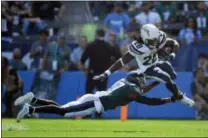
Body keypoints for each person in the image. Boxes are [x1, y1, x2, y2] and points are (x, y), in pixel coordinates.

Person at [93, 24, 195, 107]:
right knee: (166, 77)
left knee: (173, 76)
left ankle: (170, 88)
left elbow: (174, 43)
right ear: (144, 38)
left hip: (156, 62)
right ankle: (180, 97)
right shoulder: (138, 46)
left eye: (155, 40)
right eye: (151, 41)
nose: (155, 43)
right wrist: (106, 73)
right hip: (147, 69)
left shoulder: (159, 37)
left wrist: (172, 53)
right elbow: (122, 61)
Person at [15, 72, 177, 122]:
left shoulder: (127, 84)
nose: (143, 83)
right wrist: (168, 100)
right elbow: (147, 101)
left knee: (62, 108)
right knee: (62, 112)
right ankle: (31, 108)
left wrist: (156, 83)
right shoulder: (132, 90)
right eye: (142, 80)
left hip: (93, 98)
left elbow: (141, 92)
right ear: (136, 81)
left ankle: (33, 99)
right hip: (95, 103)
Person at [80, 29, 120, 118]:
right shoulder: (108, 46)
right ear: (104, 35)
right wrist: (110, 63)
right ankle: (99, 115)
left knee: (88, 95)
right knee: (101, 96)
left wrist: (85, 70)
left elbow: (82, 60)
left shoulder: (90, 45)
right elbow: (118, 56)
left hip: (92, 73)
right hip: (103, 75)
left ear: (96, 34)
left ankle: (87, 114)